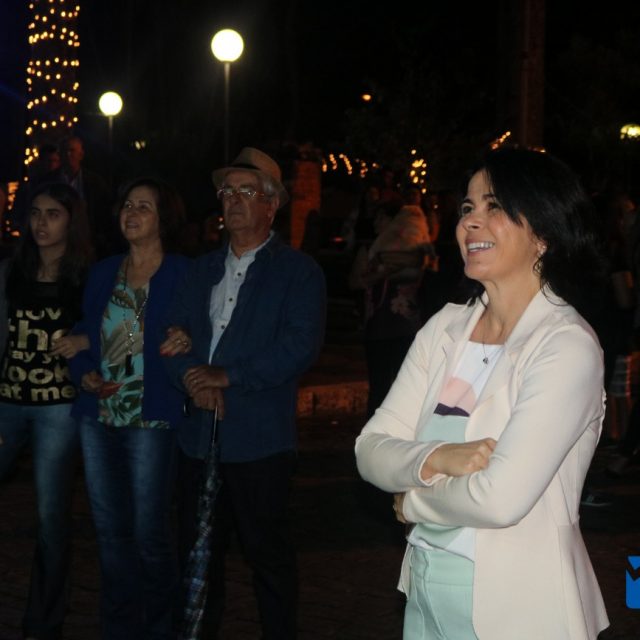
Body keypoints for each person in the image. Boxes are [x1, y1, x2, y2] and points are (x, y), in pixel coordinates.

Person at [355, 146, 609, 639]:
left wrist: (412, 503)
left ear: (543, 234)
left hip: (520, 604)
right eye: (468, 207)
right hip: (426, 588)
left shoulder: (565, 345)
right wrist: (438, 457)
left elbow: (500, 499)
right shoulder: (446, 327)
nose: (471, 221)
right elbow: (370, 449)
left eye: (495, 206)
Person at [163, 147, 326, 639]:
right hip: (197, 437)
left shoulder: (298, 272)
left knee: (267, 556)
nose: (232, 200)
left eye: (246, 191)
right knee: (197, 554)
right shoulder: (201, 270)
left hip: (259, 440)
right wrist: (194, 379)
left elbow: (298, 347)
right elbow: (172, 337)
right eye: (227, 191)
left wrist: (228, 377)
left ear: (271, 204)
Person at [68, 177, 189, 638]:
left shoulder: (183, 272)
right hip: (98, 416)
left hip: (150, 417)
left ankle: (160, 628)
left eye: (144, 206)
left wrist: (189, 338)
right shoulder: (104, 272)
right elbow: (84, 334)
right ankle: (119, 628)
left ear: (164, 219)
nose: (131, 213)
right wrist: (84, 372)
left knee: (148, 533)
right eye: (127, 205)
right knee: (109, 533)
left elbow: (198, 329)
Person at [0, 182, 92, 640]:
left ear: (70, 221)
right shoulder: (10, 271)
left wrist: (85, 341)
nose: (41, 222)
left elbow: (114, 330)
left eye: (53, 213)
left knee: (51, 517)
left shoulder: (87, 278)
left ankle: (44, 620)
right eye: (35, 213)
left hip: (57, 406)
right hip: (6, 402)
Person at [349, 199, 431, 418]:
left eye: (382, 218)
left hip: (406, 326)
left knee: (406, 387)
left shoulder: (415, 249)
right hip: (378, 325)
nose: (376, 222)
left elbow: (421, 274)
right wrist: (380, 273)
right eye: (375, 218)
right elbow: (354, 281)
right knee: (379, 387)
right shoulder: (370, 249)